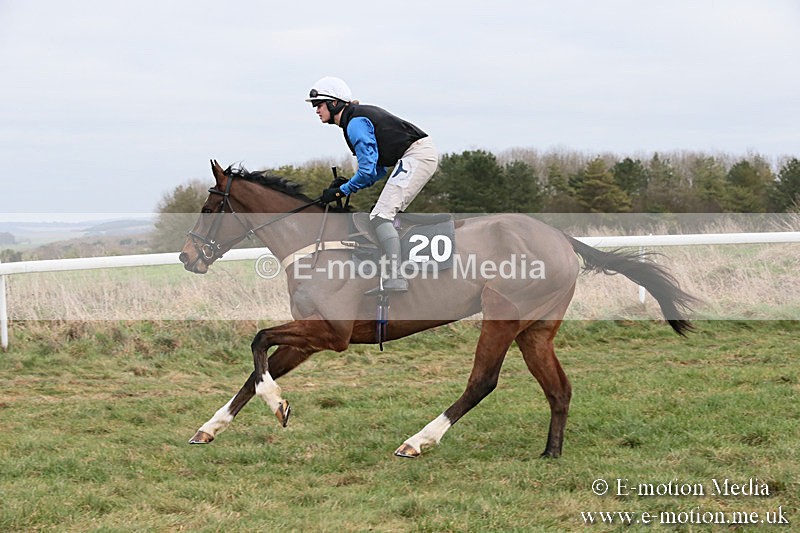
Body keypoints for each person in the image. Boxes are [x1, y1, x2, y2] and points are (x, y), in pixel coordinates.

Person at [307, 76, 438, 292]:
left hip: (417, 155)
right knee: (379, 213)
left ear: (334, 103)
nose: (316, 110)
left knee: (380, 215)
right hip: (414, 155)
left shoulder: (355, 124)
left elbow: (368, 171)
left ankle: (396, 277)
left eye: (319, 105)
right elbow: (376, 171)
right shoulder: (353, 120)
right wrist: (346, 186)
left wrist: (342, 191)